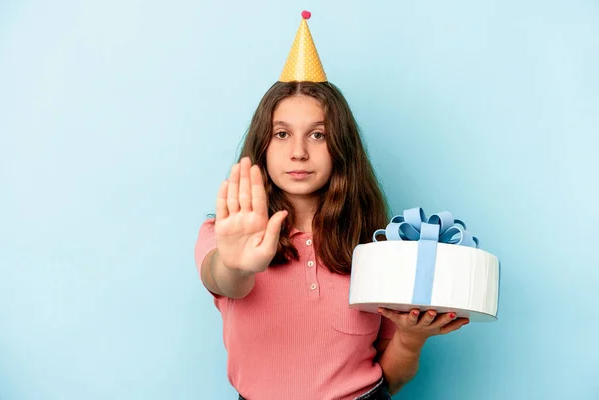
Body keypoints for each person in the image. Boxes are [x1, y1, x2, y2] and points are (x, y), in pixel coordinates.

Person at [194, 11, 469, 400]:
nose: (299, 153)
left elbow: (391, 379)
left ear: (340, 147)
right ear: (263, 145)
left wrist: (410, 337)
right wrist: (233, 264)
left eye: (318, 135)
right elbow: (221, 278)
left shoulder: (377, 249)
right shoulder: (222, 235)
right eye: (282, 134)